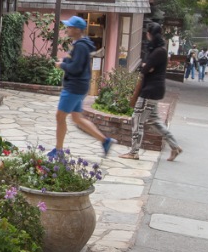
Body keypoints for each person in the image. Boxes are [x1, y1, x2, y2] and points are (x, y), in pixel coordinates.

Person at [52, 16, 115, 157]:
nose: (67, 29)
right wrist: (66, 60)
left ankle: (58, 151)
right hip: (80, 86)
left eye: (69, 27)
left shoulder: (80, 46)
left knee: (60, 117)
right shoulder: (81, 44)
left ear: (77, 29)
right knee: (77, 118)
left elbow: (76, 68)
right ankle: (105, 141)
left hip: (74, 87)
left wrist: (61, 65)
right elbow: (76, 64)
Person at [119, 23, 182, 161]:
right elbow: (148, 68)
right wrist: (147, 67)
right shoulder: (160, 50)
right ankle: (175, 146)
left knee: (137, 118)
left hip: (150, 90)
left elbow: (145, 69)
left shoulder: (158, 51)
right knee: (154, 120)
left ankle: (134, 152)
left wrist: (145, 67)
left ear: (149, 34)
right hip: (156, 90)